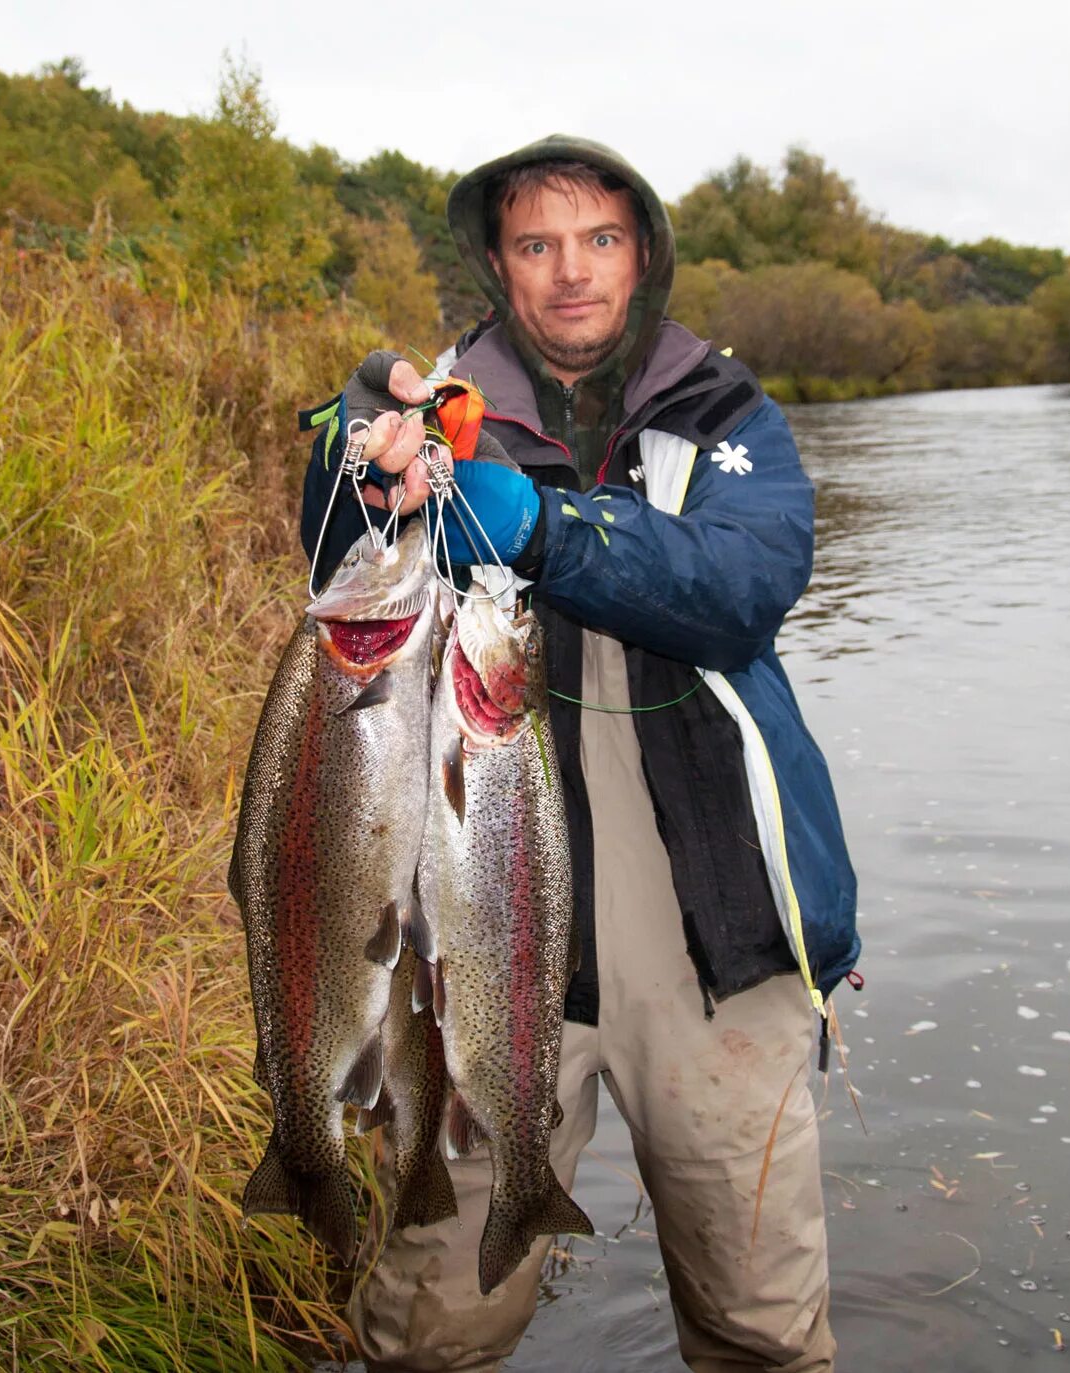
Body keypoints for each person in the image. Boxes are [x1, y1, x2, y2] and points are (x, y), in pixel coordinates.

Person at [298, 135, 859, 1373]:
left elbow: (743, 587)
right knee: (427, 1329)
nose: (570, 272)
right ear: (497, 265)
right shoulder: (430, 408)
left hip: (713, 935)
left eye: (598, 239)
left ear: (642, 254)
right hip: (474, 923)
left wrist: (548, 527)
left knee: (760, 1326)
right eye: (537, 244)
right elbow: (337, 577)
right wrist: (348, 469)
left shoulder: (726, 417)